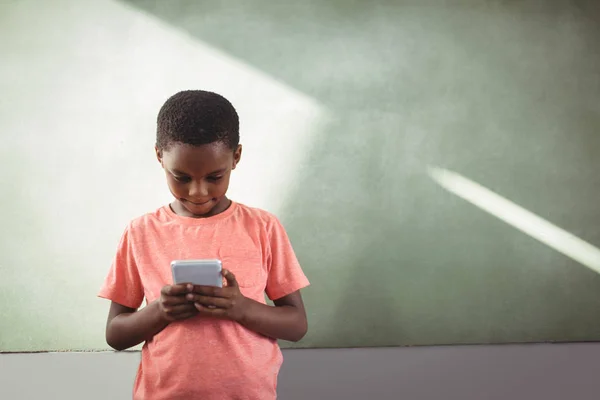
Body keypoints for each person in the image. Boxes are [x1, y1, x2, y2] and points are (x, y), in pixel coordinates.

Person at [98, 90, 310, 400]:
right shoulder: (141, 232)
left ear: (235, 157)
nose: (198, 191)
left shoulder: (263, 228)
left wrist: (241, 308)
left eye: (215, 176)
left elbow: (297, 325)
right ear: (159, 156)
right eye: (180, 177)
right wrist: (161, 310)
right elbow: (115, 334)